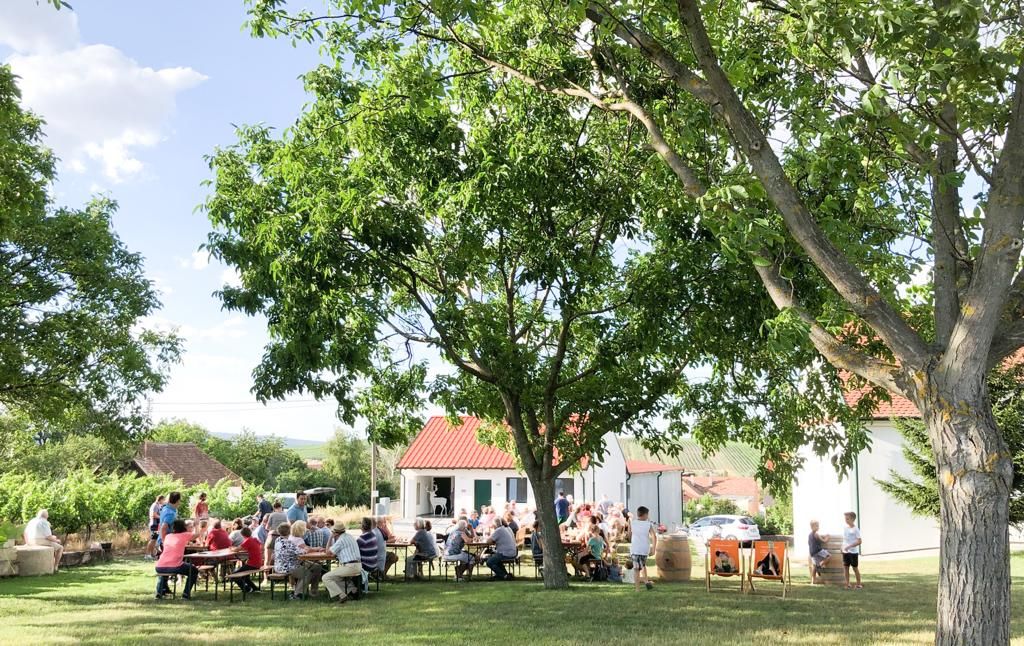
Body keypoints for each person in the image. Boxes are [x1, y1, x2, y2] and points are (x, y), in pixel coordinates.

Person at [155, 519, 199, 599]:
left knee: (165, 572)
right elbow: (197, 534)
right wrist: (196, 525)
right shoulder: (184, 535)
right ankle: (186, 594)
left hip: (159, 566)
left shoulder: (168, 536)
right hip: (175, 565)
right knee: (193, 570)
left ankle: (159, 592)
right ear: (184, 527)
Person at [273, 522, 314, 600]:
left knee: (304, 571)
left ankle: (298, 591)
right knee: (307, 573)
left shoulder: (278, 540)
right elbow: (301, 552)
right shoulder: (288, 543)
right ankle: (297, 594)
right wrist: (306, 549)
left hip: (278, 566)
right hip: (288, 567)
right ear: (289, 531)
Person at [323, 525, 363, 603]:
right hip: (357, 565)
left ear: (335, 533)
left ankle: (342, 595)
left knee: (326, 577)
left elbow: (328, 552)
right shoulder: (349, 537)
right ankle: (352, 590)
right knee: (335, 577)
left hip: (350, 566)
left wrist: (330, 538)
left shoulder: (340, 540)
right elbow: (335, 552)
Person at [629, 505, 656, 591]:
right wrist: (653, 548)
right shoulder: (648, 524)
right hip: (644, 549)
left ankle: (637, 589)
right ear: (645, 515)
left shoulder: (632, 523)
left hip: (635, 549)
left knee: (636, 569)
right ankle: (646, 582)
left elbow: (629, 534)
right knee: (643, 565)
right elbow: (654, 536)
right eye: (647, 514)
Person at [232, 526, 263, 594]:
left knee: (234, 576)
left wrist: (231, 549)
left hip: (252, 564)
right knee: (245, 576)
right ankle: (255, 588)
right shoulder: (254, 539)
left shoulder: (248, 540)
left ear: (242, 535)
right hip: (258, 562)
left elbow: (237, 549)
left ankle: (247, 589)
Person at [356, 517, 380, 592]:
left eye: (360, 523)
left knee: (350, 564)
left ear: (362, 526)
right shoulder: (373, 535)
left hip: (367, 565)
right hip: (374, 564)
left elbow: (354, 551)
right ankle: (361, 585)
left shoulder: (362, 538)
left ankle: (357, 586)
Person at [842, 511, 863, 589]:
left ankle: (858, 584)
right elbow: (845, 539)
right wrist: (843, 547)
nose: (846, 520)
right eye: (845, 519)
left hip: (853, 552)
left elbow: (859, 541)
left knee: (854, 568)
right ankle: (847, 584)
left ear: (853, 519)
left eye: (847, 519)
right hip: (845, 552)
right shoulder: (845, 528)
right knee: (846, 567)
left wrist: (849, 546)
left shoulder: (856, 529)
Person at [145, 495, 165, 560]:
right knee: (153, 539)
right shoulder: (155, 505)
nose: (164, 501)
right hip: (154, 524)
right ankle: (147, 554)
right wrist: (162, 517)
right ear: (160, 499)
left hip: (157, 525)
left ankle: (152, 554)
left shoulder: (158, 505)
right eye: (163, 500)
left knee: (155, 539)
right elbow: (154, 514)